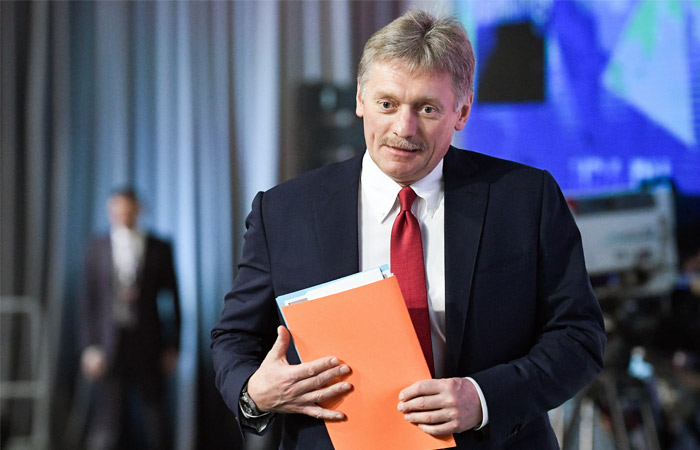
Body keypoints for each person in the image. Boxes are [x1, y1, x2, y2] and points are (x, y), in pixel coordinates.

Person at [211, 10, 606, 449]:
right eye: (387, 104)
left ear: (462, 112)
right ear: (360, 99)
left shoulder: (526, 199)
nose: (404, 128)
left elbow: (579, 337)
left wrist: (483, 399)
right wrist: (253, 394)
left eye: (427, 108)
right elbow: (236, 338)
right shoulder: (285, 211)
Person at [78, 188, 181, 450]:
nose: (123, 215)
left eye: (128, 209)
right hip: (109, 345)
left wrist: (173, 345)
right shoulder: (97, 247)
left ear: (138, 210)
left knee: (156, 419)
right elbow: (88, 301)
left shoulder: (159, 247)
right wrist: (90, 347)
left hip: (149, 344)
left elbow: (173, 300)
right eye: (117, 209)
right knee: (109, 422)